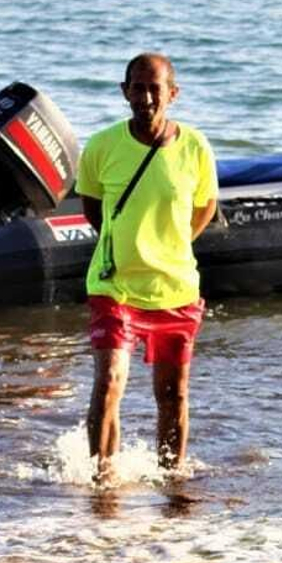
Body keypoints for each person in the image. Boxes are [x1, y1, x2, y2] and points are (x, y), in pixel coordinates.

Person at [77, 52, 218, 477]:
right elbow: (94, 210)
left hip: (175, 288)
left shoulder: (194, 147)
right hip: (115, 285)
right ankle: (103, 484)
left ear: (172, 93)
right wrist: (126, 245)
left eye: (155, 88)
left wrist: (169, 246)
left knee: (173, 395)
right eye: (137, 88)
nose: (146, 97)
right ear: (125, 92)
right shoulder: (101, 146)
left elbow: (205, 207)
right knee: (109, 382)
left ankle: (172, 483)